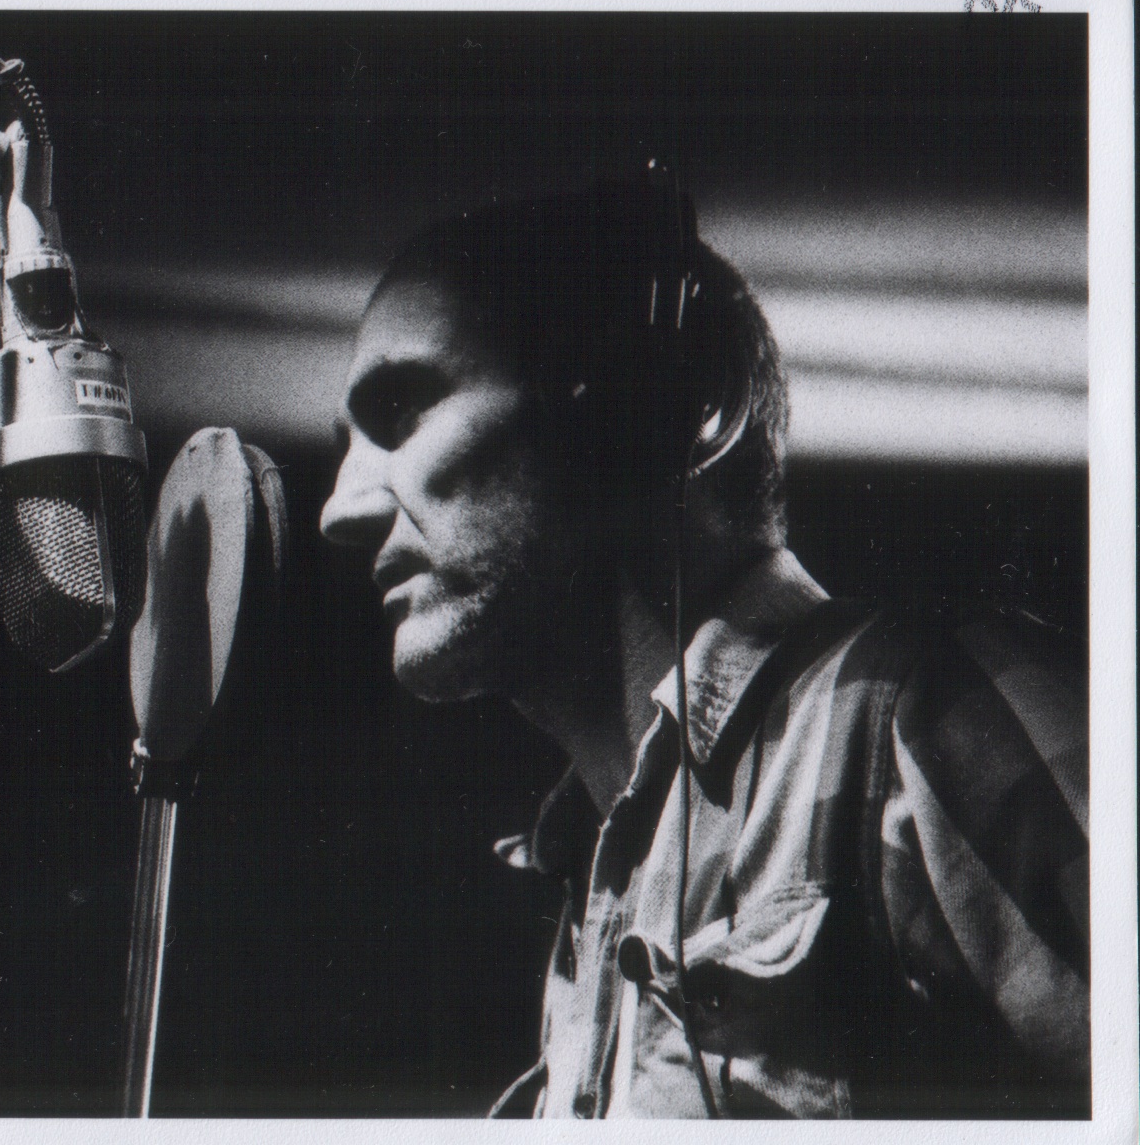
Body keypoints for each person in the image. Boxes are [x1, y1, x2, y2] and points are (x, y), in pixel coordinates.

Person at [318, 183, 1090, 1118]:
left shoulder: (929, 715)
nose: (339, 509)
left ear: (648, 400)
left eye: (400, 409)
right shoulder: (594, 882)